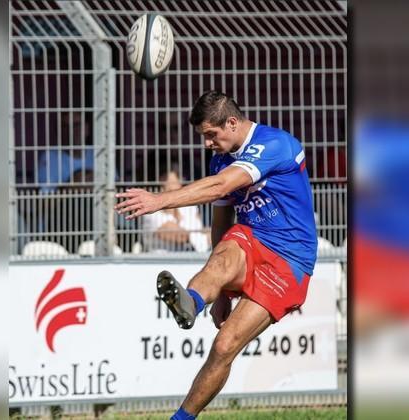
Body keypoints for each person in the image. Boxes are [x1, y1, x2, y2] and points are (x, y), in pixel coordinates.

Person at [115, 90, 318, 420]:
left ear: (233, 122)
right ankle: (192, 301)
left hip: (291, 259)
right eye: (203, 137)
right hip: (253, 238)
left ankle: (182, 418)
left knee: (225, 346)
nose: (207, 143)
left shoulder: (275, 144)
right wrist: (221, 293)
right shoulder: (221, 158)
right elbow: (222, 218)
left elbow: (221, 186)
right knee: (227, 247)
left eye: (211, 134)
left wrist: (158, 200)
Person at [141, 168, 210, 253]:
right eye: (167, 187)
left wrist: (210, 234)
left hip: (193, 257)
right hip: (163, 261)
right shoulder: (151, 213)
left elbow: (202, 229)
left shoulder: (189, 207)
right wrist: (205, 238)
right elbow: (178, 236)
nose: (173, 189)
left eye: (176, 183)